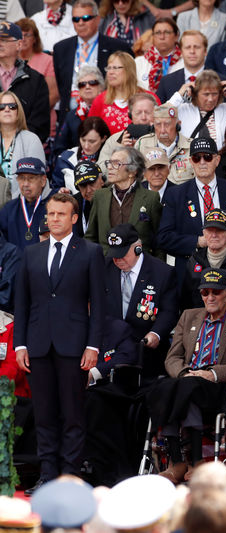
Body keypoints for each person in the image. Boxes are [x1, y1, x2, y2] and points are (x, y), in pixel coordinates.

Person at [13, 193, 105, 493]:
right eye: (51, 214)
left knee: (73, 415)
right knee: (44, 414)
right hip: (38, 345)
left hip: (74, 346)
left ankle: (70, 477)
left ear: (74, 218)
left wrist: (93, 346)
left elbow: (99, 304)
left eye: (61, 214)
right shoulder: (31, 254)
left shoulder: (91, 252)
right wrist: (19, 345)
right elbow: (23, 304)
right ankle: (48, 476)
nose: (54, 219)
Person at [147, 266, 226, 483]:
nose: (210, 297)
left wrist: (214, 373)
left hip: (218, 386)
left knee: (185, 388)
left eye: (216, 292)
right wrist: (185, 373)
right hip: (187, 382)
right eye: (205, 292)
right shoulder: (189, 316)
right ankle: (180, 461)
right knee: (162, 386)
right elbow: (172, 358)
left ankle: (193, 462)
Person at [158, 137, 226, 286]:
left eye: (207, 157)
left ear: (217, 160)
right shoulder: (176, 194)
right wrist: (198, 241)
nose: (202, 162)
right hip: (191, 273)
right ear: (190, 161)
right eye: (196, 157)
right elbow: (164, 237)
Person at [102, 222, 178, 379]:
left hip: (144, 348)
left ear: (138, 248)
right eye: (114, 254)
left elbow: (169, 311)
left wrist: (156, 333)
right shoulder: (104, 267)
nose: (117, 259)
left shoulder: (162, 272)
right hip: (111, 347)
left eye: (122, 253)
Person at [52, 0, 133, 125]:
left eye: (86, 18)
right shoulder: (61, 49)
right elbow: (61, 85)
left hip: (106, 115)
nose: (80, 23)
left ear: (98, 19)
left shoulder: (118, 47)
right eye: (76, 19)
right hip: (71, 116)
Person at [85, 146, 162, 256]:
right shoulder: (99, 196)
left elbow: (159, 241)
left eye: (116, 163)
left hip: (139, 266)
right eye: (109, 163)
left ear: (132, 171)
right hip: (106, 265)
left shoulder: (151, 198)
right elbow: (91, 237)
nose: (109, 168)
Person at [0, 22, 50, 143]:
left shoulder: (36, 80)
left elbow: (40, 125)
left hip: (24, 150)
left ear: (19, 44)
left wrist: (14, 143)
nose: (0, 44)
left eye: (4, 40)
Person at [88, 51, 157, 134]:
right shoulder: (100, 100)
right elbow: (90, 131)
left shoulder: (149, 98)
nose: (110, 72)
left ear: (129, 70)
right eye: (109, 68)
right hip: (110, 146)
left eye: (115, 68)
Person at [166, 69, 226, 148]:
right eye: (206, 94)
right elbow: (161, 115)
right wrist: (179, 94)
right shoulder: (182, 109)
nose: (210, 99)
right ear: (195, 93)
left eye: (214, 94)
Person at [16, 18, 58, 136]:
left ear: (35, 38)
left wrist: (25, 118)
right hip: (9, 120)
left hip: (40, 123)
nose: (23, 38)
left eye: (27, 35)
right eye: (20, 35)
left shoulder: (48, 60)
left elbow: (53, 96)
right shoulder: (8, 59)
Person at [0, 91, 46, 198]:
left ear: (18, 111)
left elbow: (36, 179)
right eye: (1, 107)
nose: (7, 109)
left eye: (12, 106)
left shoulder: (31, 139)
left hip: (22, 203)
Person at [53, 65, 105, 158]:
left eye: (92, 83)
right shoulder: (72, 115)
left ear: (101, 86)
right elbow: (60, 146)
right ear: (79, 90)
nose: (87, 87)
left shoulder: (109, 111)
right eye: (82, 84)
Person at [135, 103, 194, 186]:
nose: (162, 130)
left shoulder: (191, 147)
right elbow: (134, 177)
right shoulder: (142, 144)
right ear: (153, 126)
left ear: (178, 125)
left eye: (167, 124)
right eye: (158, 124)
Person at [96, 92, 156, 171]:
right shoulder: (114, 140)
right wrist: (120, 152)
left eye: (148, 112)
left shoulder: (164, 136)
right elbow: (101, 173)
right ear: (130, 115)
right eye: (138, 113)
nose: (143, 117)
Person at [0, 157, 52, 250]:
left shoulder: (55, 206)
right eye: (21, 178)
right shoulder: (9, 209)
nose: (25, 184)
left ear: (43, 180)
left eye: (31, 178)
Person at [52, 116, 110, 193]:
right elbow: (54, 187)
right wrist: (60, 192)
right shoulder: (65, 159)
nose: (86, 146)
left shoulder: (110, 162)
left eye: (92, 141)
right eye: (83, 140)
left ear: (103, 138)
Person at [156, 30, 209, 105]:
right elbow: (158, 112)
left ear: (205, 51)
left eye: (197, 47)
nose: (192, 51)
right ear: (181, 52)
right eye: (187, 47)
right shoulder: (166, 82)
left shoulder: (220, 80)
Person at [134, 17, 182, 93]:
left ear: (176, 36)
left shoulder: (185, 63)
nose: (162, 37)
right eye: (158, 33)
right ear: (153, 36)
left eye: (167, 32)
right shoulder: (138, 62)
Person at [72, 161, 104, 237]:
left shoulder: (113, 198)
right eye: (83, 186)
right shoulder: (73, 204)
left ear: (102, 180)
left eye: (92, 183)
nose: (88, 190)